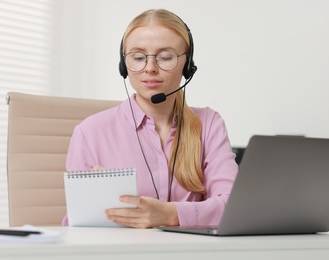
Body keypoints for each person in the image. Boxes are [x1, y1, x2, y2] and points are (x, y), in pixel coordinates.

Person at [61, 9, 238, 228]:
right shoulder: (90, 133)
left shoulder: (209, 124)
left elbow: (233, 208)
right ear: (123, 65)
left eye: (165, 57)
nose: (150, 68)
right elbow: (76, 226)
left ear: (187, 65)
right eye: (138, 57)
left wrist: (170, 214)